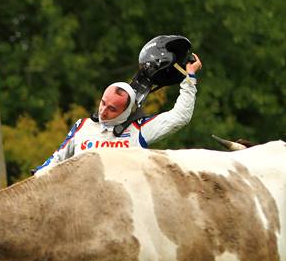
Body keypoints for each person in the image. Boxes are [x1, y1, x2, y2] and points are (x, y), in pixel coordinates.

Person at [34, 53, 203, 175]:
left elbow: (180, 117)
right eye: (103, 103)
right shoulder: (83, 126)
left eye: (112, 109)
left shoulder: (139, 129)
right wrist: (37, 175)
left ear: (125, 112)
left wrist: (190, 78)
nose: (103, 111)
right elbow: (56, 159)